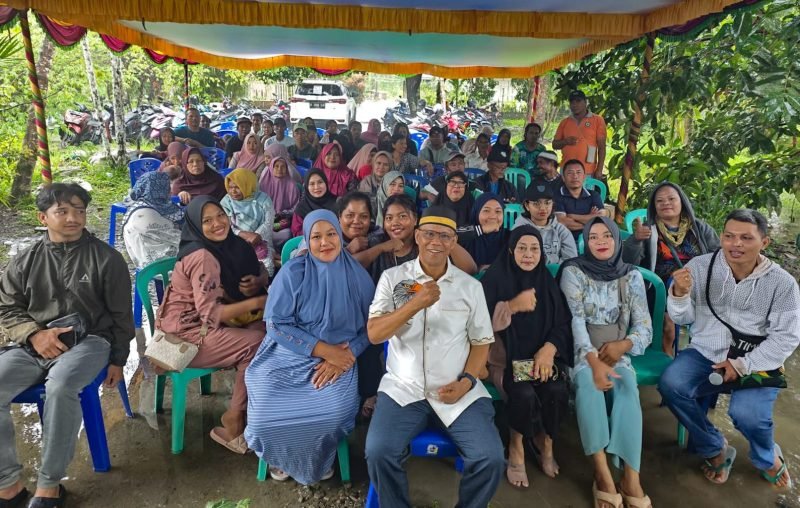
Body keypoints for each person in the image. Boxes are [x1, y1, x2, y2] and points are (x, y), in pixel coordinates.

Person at [0, 184, 134, 508]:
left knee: (60, 387)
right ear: (43, 217)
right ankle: (8, 485)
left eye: (80, 211)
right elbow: (7, 307)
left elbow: (121, 315)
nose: (73, 218)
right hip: (34, 342)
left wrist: (118, 359)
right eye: (63, 211)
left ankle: (49, 486)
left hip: (90, 341)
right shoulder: (25, 261)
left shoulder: (106, 259)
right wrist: (33, 334)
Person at [364, 205, 505, 508]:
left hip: (456, 389)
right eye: (429, 234)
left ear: (454, 242)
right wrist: (415, 304)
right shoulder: (394, 279)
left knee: (491, 458)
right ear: (417, 236)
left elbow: (482, 342)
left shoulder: (470, 287)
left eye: (444, 236)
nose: (435, 242)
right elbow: (375, 334)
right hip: (404, 388)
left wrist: (467, 382)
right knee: (378, 451)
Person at [659, 209, 800, 489]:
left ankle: (765, 456)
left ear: (764, 242)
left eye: (746, 238)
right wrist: (678, 294)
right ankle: (715, 447)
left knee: (747, 415)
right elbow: (682, 319)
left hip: (756, 360)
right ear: (721, 237)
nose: (736, 244)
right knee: (671, 385)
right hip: (707, 353)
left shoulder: (782, 284)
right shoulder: (700, 267)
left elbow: (787, 337)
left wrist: (741, 365)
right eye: (729, 236)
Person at [245, 209, 375, 484]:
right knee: (263, 418)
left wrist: (346, 354)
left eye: (330, 234)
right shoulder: (293, 272)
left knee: (333, 413)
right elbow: (277, 325)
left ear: (340, 236)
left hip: (340, 357)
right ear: (307, 239)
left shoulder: (357, 276)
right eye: (316, 236)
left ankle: (321, 458)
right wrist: (323, 350)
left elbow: (372, 326)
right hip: (287, 353)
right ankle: (279, 458)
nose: (325, 242)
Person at [156, 196, 268, 454]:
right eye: (207, 220)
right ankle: (234, 420)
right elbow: (210, 314)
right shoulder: (203, 257)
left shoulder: (224, 246)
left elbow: (253, 268)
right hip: (185, 337)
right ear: (196, 224)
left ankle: (248, 409)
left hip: (196, 325)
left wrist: (260, 280)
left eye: (220, 215)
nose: (217, 224)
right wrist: (261, 301)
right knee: (258, 344)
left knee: (261, 333)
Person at [559, 217, 652, 508]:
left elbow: (644, 327)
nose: (600, 241)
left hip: (618, 350)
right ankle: (602, 475)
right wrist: (594, 361)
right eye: (593, 236)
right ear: (585, 241)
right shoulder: (573, 271)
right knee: (589, 386)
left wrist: (624, 344)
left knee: (628, 390)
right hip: (581, 352)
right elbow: (573, 322)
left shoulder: (632, 275)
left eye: (606, 236)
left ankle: (631, 477)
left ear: (616, 240)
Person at [481, 225, 573, 487]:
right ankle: (517, 445)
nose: (528, 255)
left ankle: (546, 442)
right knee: (521, 393)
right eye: (522, 248)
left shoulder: (546, 281)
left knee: (556, 390)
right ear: (511, 251)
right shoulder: (494, 279)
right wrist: (511, 306)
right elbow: (478, 324)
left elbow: (562, 323)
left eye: (534, 249)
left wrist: (550, 348)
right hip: (505, 361)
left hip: (542, 359)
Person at [622, 182, 719, 354]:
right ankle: (668, 359)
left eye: (671, 199)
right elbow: (629, 263)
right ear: (654, 207)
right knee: (668, 326)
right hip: (661, 289)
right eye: (660, 201)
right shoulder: (648, 231)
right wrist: (635, 240)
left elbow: (717, 256)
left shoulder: (700, 228)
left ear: (682, 202)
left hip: (699, 285)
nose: (666, 203)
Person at [122, 172, 183, 269]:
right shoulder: (153, 212)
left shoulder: (137, 207)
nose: (170, 191)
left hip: (143, 263)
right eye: (167, 187)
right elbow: (179, 237)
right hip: (167, 266)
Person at [220, 169, 276, 276]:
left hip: (261, 240)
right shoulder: (226, 202)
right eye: (230, 187)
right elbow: (225, 225)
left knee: (266, 264)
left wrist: (256, 236)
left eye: (237, 187)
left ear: (248, 185)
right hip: (235, 240)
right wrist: (243, 234)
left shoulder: (263, 200)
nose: (233, 191)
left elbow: (268, 223)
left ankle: (265, 287)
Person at [514, 184, 577, 265]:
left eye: (547, 203)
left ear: (552, 204)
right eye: (536, 203)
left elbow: (571, 260)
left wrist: (554, 271)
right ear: (527, 206)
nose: (543, 208)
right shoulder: (518, 230)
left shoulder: (561, 231)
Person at [553, 90, 607, 179]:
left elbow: (602, 147)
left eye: (578, 101)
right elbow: (554, 145)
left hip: (588, 170)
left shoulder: (597, 120)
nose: (575, 104)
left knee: (587, 193)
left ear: (585, 103)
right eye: (572, 102)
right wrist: (565, 142)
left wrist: (599, 169)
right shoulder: (565, 122)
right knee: (565, 193)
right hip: (567, 170)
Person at [555, 159, 607, 241]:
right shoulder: (557, 196)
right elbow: (563, 223)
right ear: (563, 178)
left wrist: (572, 216)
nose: (575, 176)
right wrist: (590, 220)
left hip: (592, 239)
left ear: (584, 177)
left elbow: (602, 218)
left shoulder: (594, 195)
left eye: (578, 172)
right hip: (566, 240)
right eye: (570, 173)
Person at [457, 192, 507, 271]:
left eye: (498, 211)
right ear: (476, 212)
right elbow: (447, 236)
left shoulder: (509, 235)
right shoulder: (467, 233)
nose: (493, 216)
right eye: (486, 211)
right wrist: (481, 229)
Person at [291, 169, 338, 237]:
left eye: (320, 182)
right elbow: (297, 232)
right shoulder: (301, 208)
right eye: (312, 184)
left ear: (326, 183)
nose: (316, 187)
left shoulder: (337, 203)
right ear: (307, 187)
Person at [337, 192, 377, 256]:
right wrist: (348, 250)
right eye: (350, 215)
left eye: (363, 216)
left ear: (370, 219)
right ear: (340, 217)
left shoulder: (380, 240)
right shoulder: (328, 243)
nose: (356, 221)